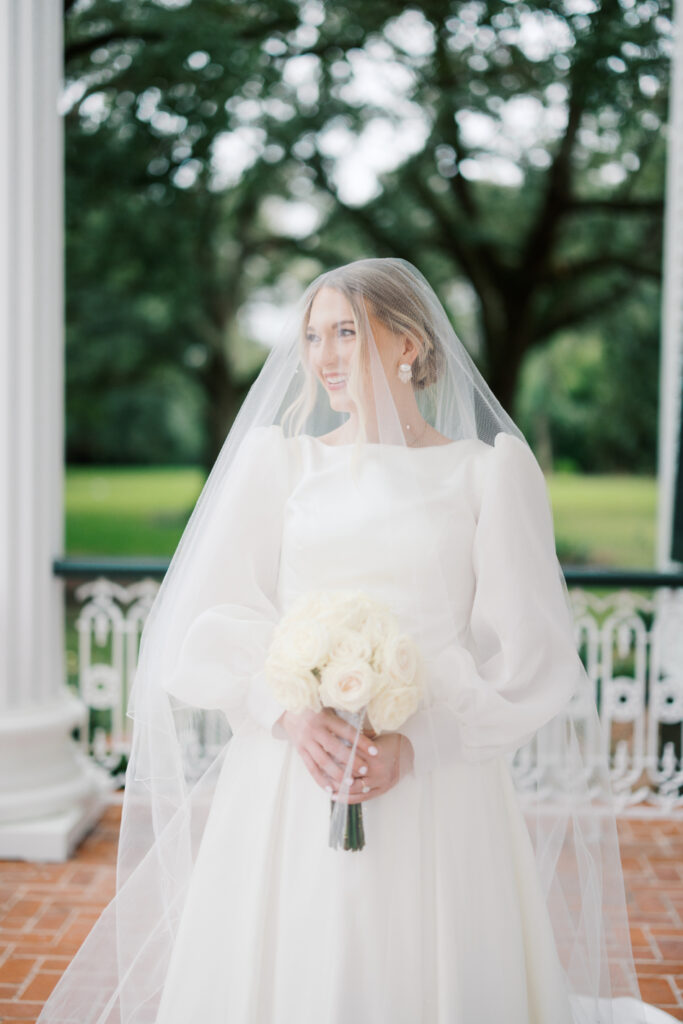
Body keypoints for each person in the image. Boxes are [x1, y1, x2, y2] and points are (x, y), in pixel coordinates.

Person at [37, 258, 675, 1024]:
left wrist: (421, 743)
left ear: (407, 342)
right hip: (289, 778)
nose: (324, 355)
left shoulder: (487, 473)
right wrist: (287, 711)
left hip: (435, 785)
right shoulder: (278, 463)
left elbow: (529, 660)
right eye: (312, 335)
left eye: (345, 331)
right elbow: (206, 619)